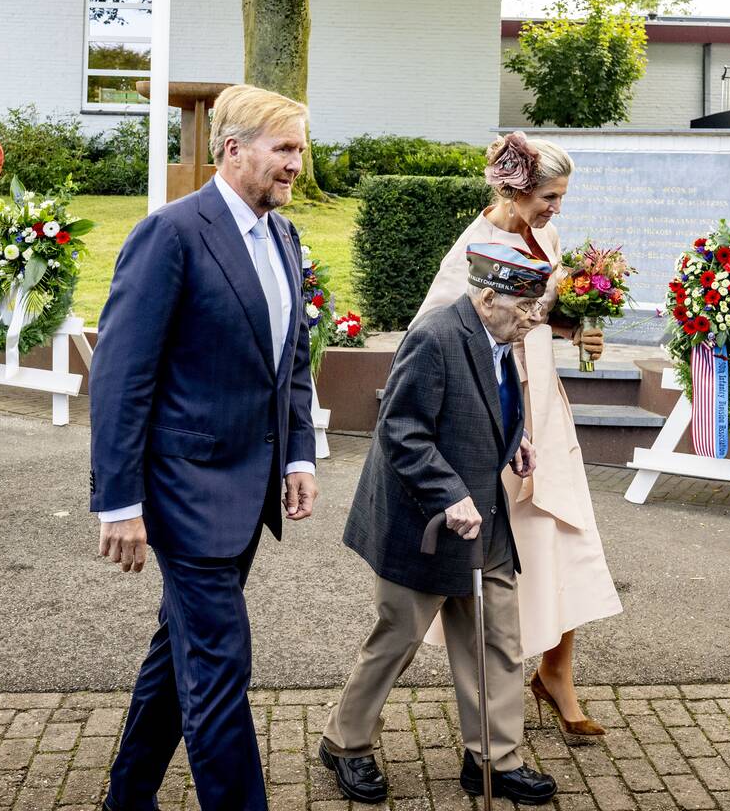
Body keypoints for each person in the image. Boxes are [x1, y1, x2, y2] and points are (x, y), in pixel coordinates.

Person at [88, 83, 319, 811]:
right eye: (284, 149)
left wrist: (298, 454)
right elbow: (121, 378)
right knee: (220, 666)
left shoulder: (284, 236)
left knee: (181, 649)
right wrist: (119, 503)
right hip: (184, 493)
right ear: (233, 149)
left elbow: (291, 360)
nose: (297, 164)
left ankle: (128, 798)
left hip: (250, 492)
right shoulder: (171, 233)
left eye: (301, 148)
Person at [321, 243, 556, 808]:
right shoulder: (435, 336)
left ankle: (493, 759)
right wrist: (449, 493)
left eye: (539, 307)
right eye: (526, 307)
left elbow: (481, 406)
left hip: (484, 522)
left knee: (498, 639)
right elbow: (402, 429)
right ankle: (345, 742)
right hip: (422, 521)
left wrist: (514, 440)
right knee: (398, 637)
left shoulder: (502, 336)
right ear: (488, 297)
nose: (534, 318)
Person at [412, 132, 621, 740]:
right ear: (515, 189)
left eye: (562, 197)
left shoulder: (546, 238)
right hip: (500, 414)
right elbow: (434, 332)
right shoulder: (475, 250)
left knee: (566, 532)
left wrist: (575, 327)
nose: (557, 208)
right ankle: (496, 688)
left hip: (547, 407)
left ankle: (557, 672)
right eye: (549, 196)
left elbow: (537, 312)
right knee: (514, 547)